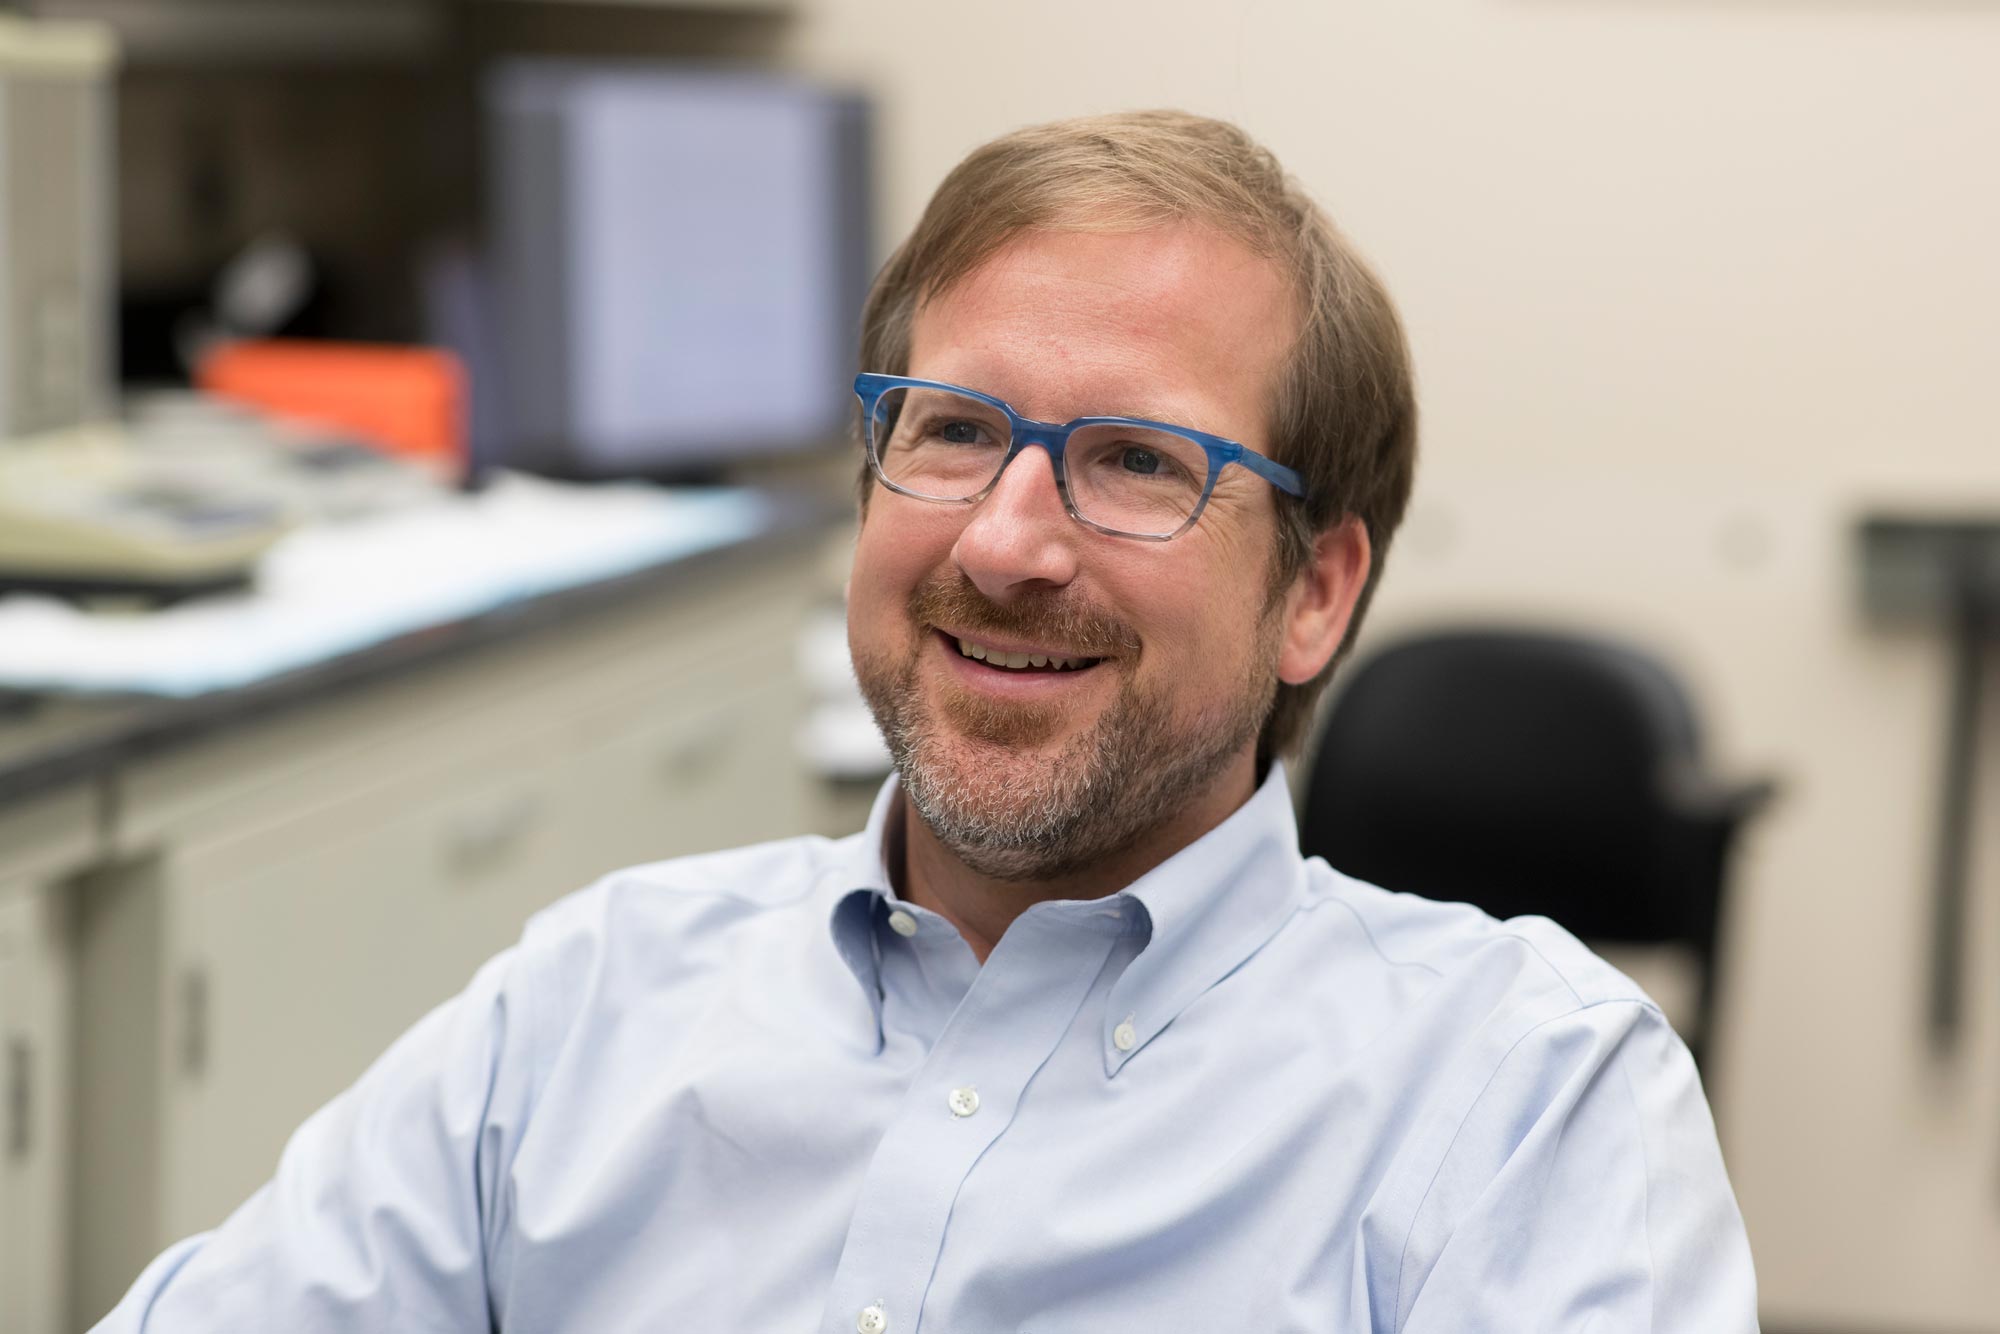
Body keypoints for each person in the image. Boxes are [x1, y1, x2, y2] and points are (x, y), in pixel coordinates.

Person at [94, 111, 1757, 1332]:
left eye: (1136, 461)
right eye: (954, 429)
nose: (1006, 541)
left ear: (1316, 591)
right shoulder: (587, 1012)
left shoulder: (1523, 1105)